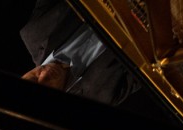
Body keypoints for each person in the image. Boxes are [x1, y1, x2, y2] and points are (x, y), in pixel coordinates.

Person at [18, 0, 146, 111]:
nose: (44, 75)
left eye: (33, 78)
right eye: (46, 87)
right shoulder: (102, 96)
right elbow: (149, 68)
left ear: (24, 75)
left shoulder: (33, 32)